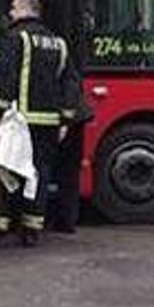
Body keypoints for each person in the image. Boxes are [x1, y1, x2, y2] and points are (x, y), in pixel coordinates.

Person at [0, 0, 78, 247]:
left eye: (13, 8)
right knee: (38, 173)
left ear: (25, 9)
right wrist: (65, 120)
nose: (10, 13)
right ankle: (31, 227)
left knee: (1, 168)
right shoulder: (58, 43)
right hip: (49, 122)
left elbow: (6, 79)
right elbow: (69, 83)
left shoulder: (15, 38)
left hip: (18, 121)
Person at [48, 64, 92, 234]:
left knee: (63, 169)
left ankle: (63, 218)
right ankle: (66, 219)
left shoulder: (63, 57)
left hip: (67, 116)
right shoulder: (67, 55)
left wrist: (65, 120)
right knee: (69, 172)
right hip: (73, 114)